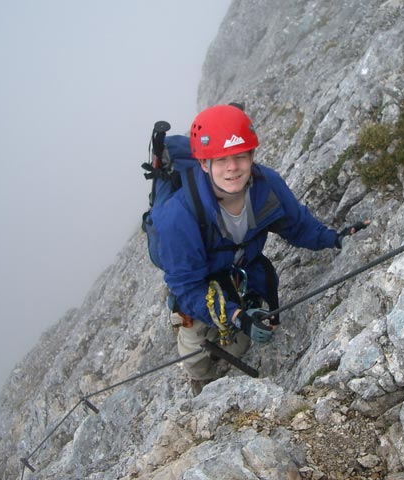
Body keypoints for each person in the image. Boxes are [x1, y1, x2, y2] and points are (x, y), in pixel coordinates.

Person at [153, 104, 368, 394]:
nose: (233, 167)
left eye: (241, 156)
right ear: (204, 164)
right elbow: (188, 287)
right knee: (196, 351)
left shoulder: (266, 186)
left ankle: (228, 348)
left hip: (243, 271)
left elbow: (298, 226)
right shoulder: (178, 216)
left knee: (243, 341)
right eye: (221, 159)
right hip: (199, 284)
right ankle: (201, 383)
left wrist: (334, 239)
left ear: (252, 156)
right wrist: (236, 317)